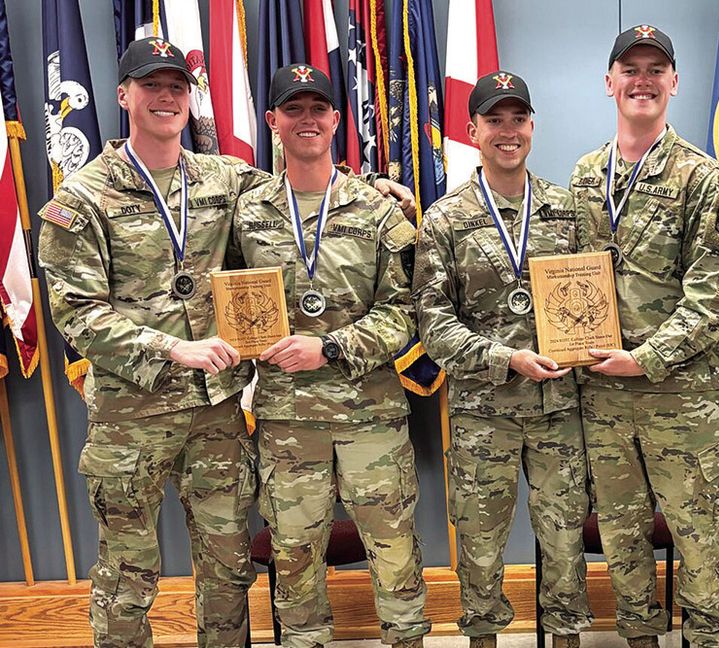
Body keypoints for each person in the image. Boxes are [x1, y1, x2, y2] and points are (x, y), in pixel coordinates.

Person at [38, 37, 259, 647]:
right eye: (151, 85)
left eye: (177, 86)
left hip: (215, 411)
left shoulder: (225, 178)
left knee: (227, 566)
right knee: (128, 572)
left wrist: (378, 191)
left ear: (190, 99)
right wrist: (170, 348)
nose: (166, 96)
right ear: (123, 95)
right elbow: (77, 313)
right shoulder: (81, 199)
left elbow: (291, 208)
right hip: (130, 414)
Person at [230, 64, 429, 648]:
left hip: (370, 416)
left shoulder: (379, 211)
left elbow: (405, 311)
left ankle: (407, 639)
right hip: (288, 422)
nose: (308, 119)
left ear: (338, 120)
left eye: (319, 108)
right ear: (272, 121)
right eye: (294, 109)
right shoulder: (247, 213)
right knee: (294, 558)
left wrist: (333, 347)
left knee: (394, 550)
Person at [569, 25, 719, 648]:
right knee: (620, 536)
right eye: (630, 69)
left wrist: (643, 359)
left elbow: (713, 297)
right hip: (603, 397)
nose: (642, 81)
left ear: (674, 82)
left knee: (699, 538)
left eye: (655, 70)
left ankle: (713, 639)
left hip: (677, 396)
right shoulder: (586, 173)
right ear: (609, 82)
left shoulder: (703, 177)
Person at [414, 70, 592, 648]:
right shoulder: (445, 218)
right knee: (481, 546)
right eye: (495, 120)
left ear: (533, 127)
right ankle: (484, 639)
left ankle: (565, 638)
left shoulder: (567, 212)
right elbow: (432, 323)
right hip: (481, 412)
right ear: (473, 130)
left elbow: (594, 300)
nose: (508, 131)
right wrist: (504, 357)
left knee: (565, 542)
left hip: (559, 408)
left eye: (518, 119)